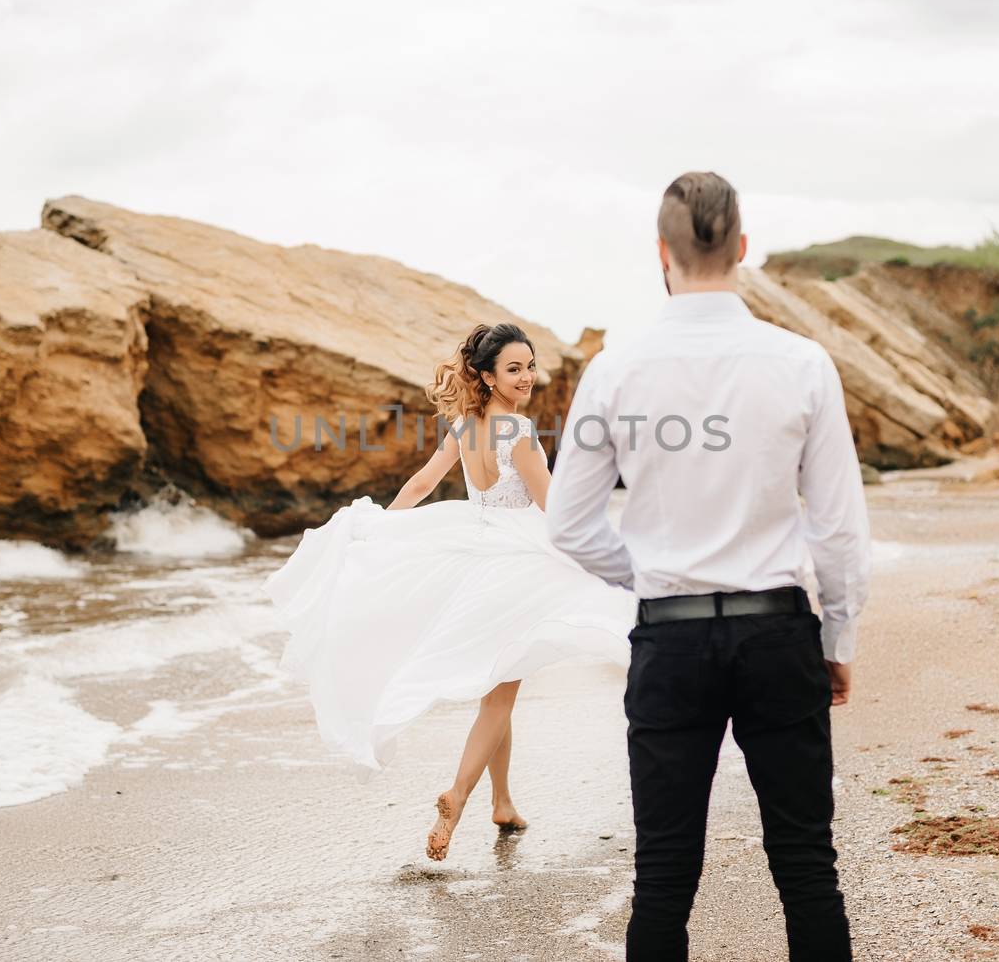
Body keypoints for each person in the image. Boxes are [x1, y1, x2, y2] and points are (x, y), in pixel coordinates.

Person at [546, 171, 872, 961]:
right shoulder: (801, 363)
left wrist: (652, 579)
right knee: (805, 867)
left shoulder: (616, 370)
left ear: (661, 252)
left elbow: (568, 523)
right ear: (743, 250)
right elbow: (837, 527)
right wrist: (838, 639)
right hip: (777, 635)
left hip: (670, 643)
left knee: (662, 876)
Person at [261, 322, 636, 862]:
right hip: (518, 563)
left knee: (500, 682)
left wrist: (382, 531)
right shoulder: (521, 433)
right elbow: (556, 511)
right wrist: (610, 556)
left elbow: (420, 485)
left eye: (530, 366)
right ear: (486, 375)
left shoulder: (466, 425)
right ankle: (457, 798)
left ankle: (502, 801)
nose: (527, 377)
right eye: (514, 368)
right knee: (501, 693)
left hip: (475, 552)